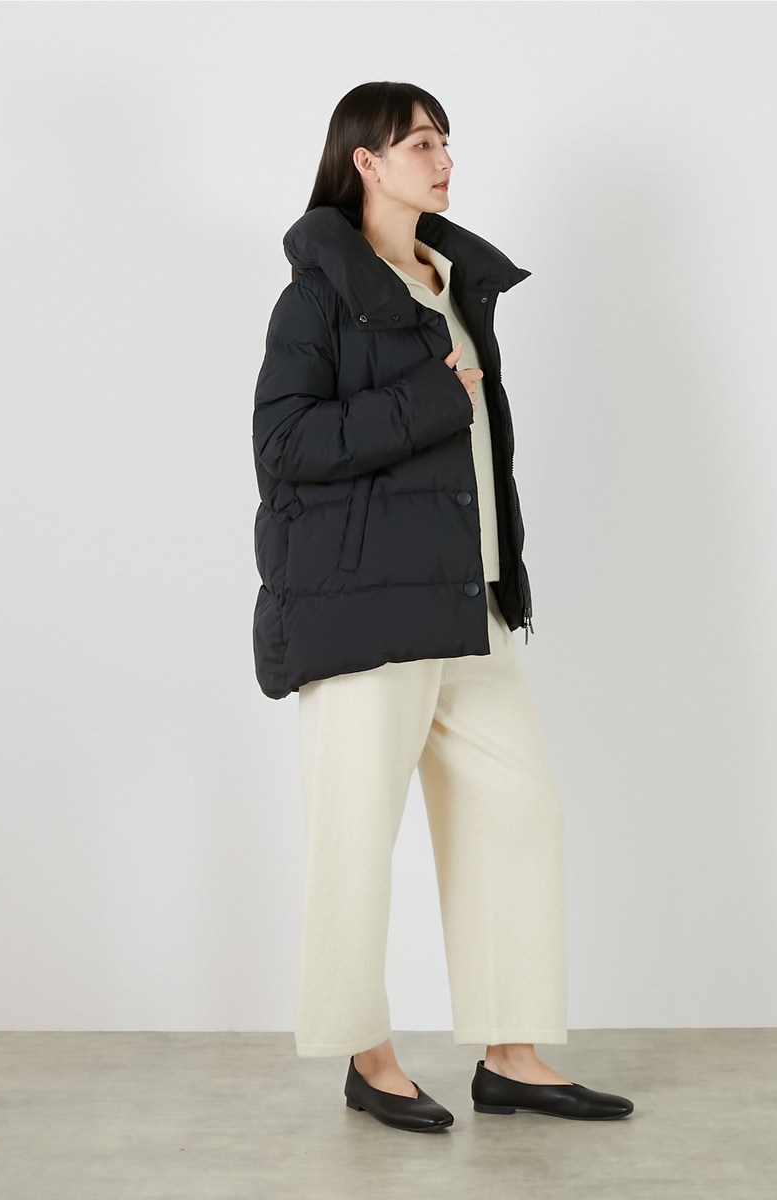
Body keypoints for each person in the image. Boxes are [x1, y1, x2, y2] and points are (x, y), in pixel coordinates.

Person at [251, 81, 633, 1132]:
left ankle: (511, 1055)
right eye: (420, 142)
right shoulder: (317, 298)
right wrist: (432, 397)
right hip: (365, 616)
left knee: (521, 809)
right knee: (355, 837)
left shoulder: (451, 282)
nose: (443, 157)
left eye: (446, 140)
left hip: (471, 606)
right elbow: (283, 445)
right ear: (365, 162)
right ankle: (366, 1057)